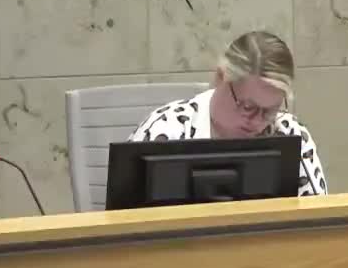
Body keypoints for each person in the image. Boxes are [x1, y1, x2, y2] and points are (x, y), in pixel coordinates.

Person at [129, 31, 329, 196]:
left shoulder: (290, 134)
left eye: (269, 111)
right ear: (220, 78)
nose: (257, 122)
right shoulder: (165, 131)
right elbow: (120, 222)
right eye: (248, 107)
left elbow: (318, 218)